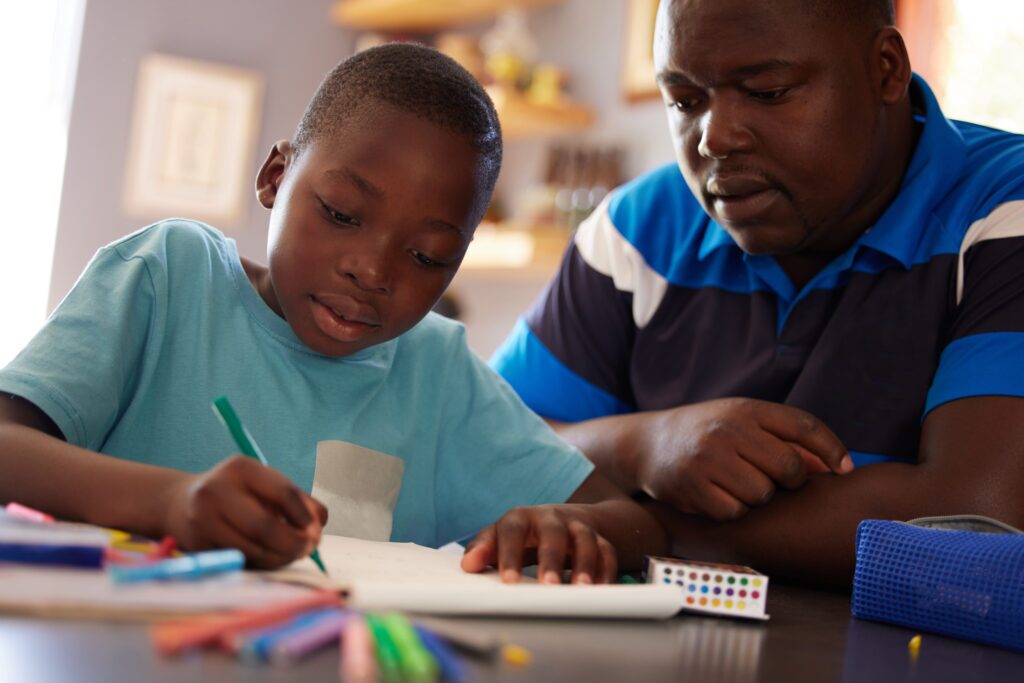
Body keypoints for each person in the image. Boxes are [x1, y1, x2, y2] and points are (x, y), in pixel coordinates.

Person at [0, 43, 667, 582]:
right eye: (342, 215)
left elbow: (633, 518)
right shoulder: (171, 276)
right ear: (275, 177)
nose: (373, 271)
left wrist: (563, 526)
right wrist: (169, 503)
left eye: (427, 255)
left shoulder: (436, 371)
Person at [491, 0, 1024, 585]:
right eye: (686, 101)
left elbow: (978, 520)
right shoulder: (637, 229)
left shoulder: (1003, 213)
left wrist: (653, 529)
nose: (713, 139)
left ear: (886, 70)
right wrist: (647, 444)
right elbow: (496, 440)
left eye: (767, 91)